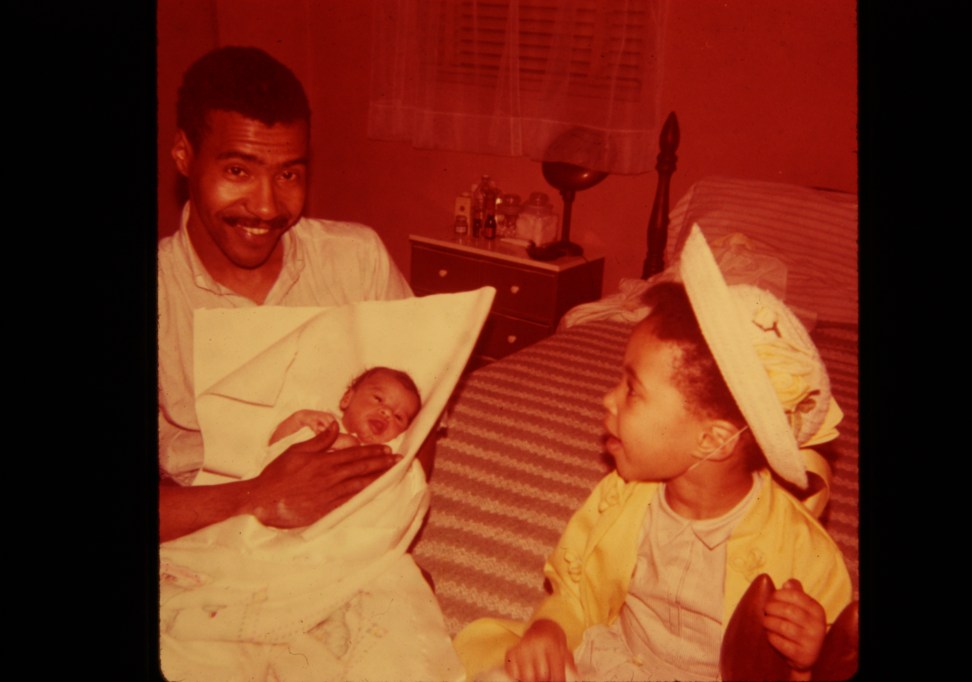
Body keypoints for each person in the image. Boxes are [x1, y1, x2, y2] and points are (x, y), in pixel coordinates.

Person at [453, 225, 853, 682]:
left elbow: (820, 650)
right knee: (501, 665)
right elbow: (576, 587)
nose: (607, 399)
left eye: (632, 389)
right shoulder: (621, 497)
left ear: (713, 440)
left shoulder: (801, 550)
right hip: (615, 663)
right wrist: (550, 627)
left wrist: (807, 660)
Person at [158, 45, 415, 543]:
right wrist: (257, 497)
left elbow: (424, 407)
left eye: (288, 175)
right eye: (238, 171)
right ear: (184, 155)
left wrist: (382, 517)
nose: (266, 206)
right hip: (205, 529)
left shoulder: (356, 258)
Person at [269, 366, 422, 448]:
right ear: (347, 398)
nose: (387, 412)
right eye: (378, 399)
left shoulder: (382, 454)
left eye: (398, 417)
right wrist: (299, 419)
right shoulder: (320, 421)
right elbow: (273, 448)